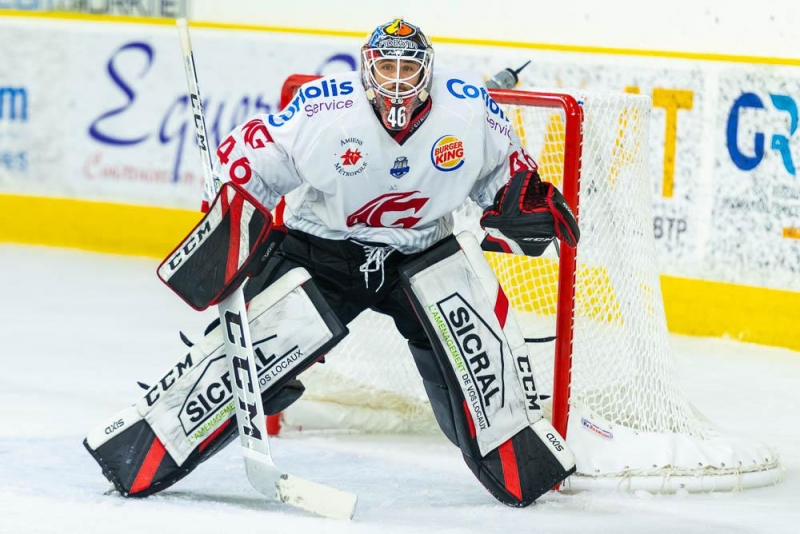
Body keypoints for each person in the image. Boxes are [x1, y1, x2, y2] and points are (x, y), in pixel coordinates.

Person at [87, 17, 580, 507]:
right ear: (367, 69)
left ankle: (524, 462)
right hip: (325, 252)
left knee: (483, 372)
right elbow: (258, 152)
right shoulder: (327, 109)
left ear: (427, 72)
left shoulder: (469, 110)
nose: (397, 81)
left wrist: (521, 198)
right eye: (386, 68)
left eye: (408, 69)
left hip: (424, 252)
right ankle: (142, 450)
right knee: (243, 362)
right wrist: (231, 211)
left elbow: (504, 169)